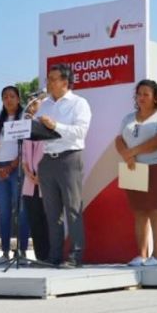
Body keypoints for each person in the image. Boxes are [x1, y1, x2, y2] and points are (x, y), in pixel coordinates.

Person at [36, 63, 92, 268]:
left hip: (69, 158)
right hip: (47, 160)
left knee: (73, 209)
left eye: (53, 78)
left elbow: (80, 132)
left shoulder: (79, 103)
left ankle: (75, 257)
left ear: (65, 82)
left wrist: (55, 126)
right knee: (52, 212)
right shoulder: (44, 104)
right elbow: (36, 128)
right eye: (48, 78)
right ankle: (54, 256)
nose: (48, 82)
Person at [115, 79, 157, 267]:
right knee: (139, 213)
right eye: (139, 94)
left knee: (156, 212)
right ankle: (141, 255)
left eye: (146, 94)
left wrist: (132, 152)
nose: (141, 98)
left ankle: (155, 257)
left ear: (155, 97)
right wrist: (126, 154)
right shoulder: (128, 118)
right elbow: (119, 139)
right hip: (133, 168)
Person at [0, 85, 29, 265]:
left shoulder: (24, 118)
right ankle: (5, 252)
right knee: (3, 212)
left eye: (12, 96)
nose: (9, 99)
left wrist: (12, 167)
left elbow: (26, 147)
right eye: (5, 97)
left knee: (21, 211)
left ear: (18, 99)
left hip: (17, 169)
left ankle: (22, 252)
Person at [21, 92, 50, 262]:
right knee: (34, 220)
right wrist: (27, 171)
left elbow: (48, 148)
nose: (31, 106)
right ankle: (40, 257)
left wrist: (41, 174)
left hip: (45, 178)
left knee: (48, 220)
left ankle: (50, 256)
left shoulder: (47, 123)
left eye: (34, 103)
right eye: (29, 103)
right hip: (29, 181)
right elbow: (24, 152)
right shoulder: (26, 125)